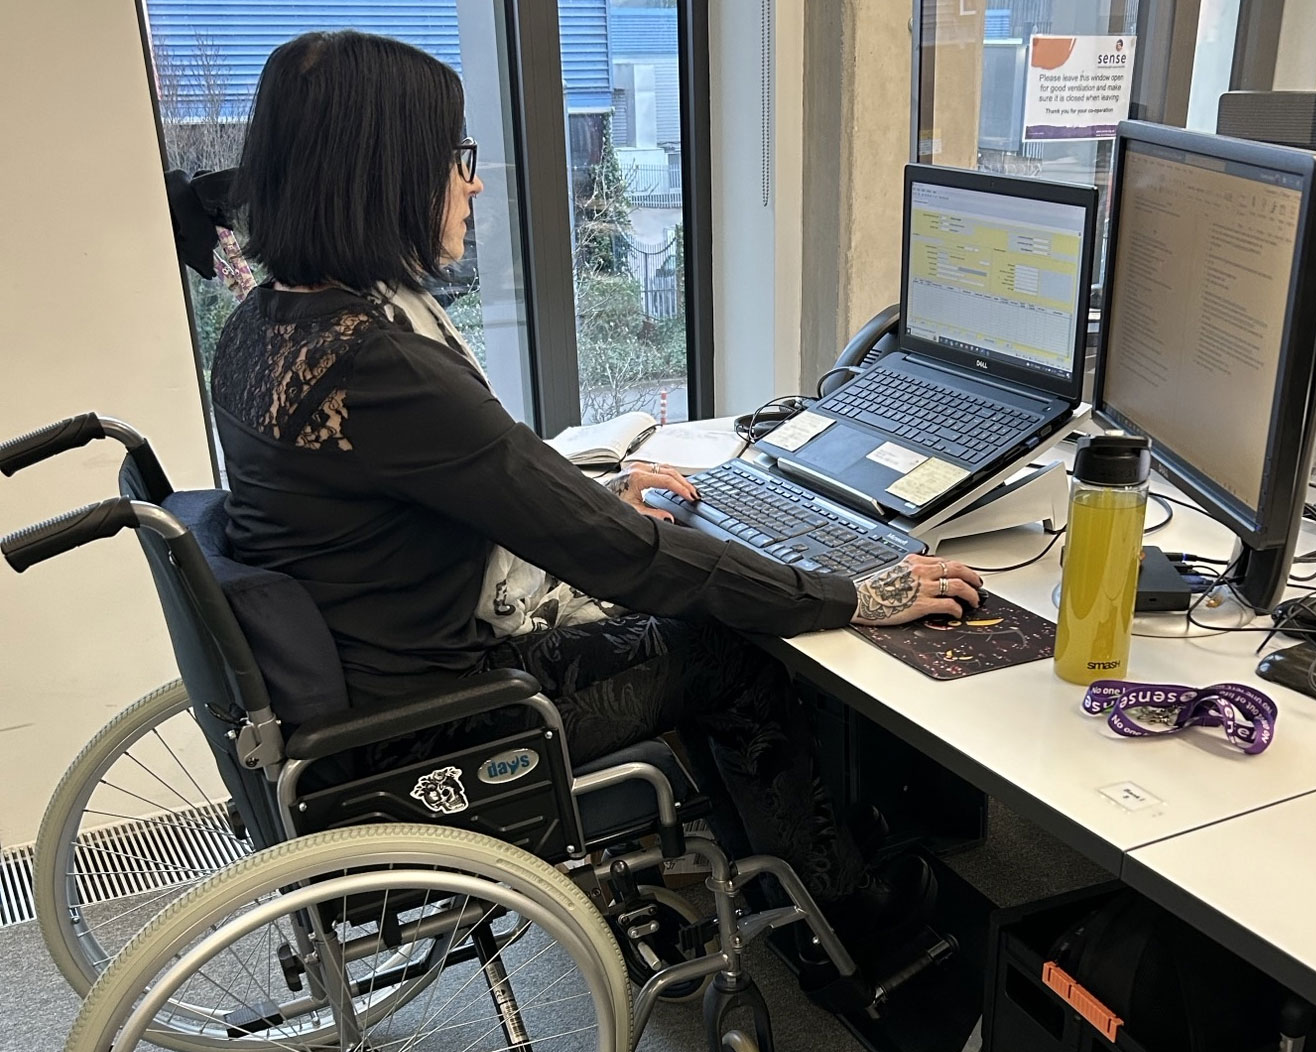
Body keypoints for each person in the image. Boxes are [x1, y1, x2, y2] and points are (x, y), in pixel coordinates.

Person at [211, 30, 984, 947]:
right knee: (726, 653)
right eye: (456, 158)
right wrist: (849, 593)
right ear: (382, 172)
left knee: (676, 630)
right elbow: (625, 561)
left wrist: (593, 489)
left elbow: (455, 482)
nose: (474, 183)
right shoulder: (382, 369)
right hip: (432, 729)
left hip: (355, 696)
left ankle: (765, 877)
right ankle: (843, 921)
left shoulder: (264, 329)